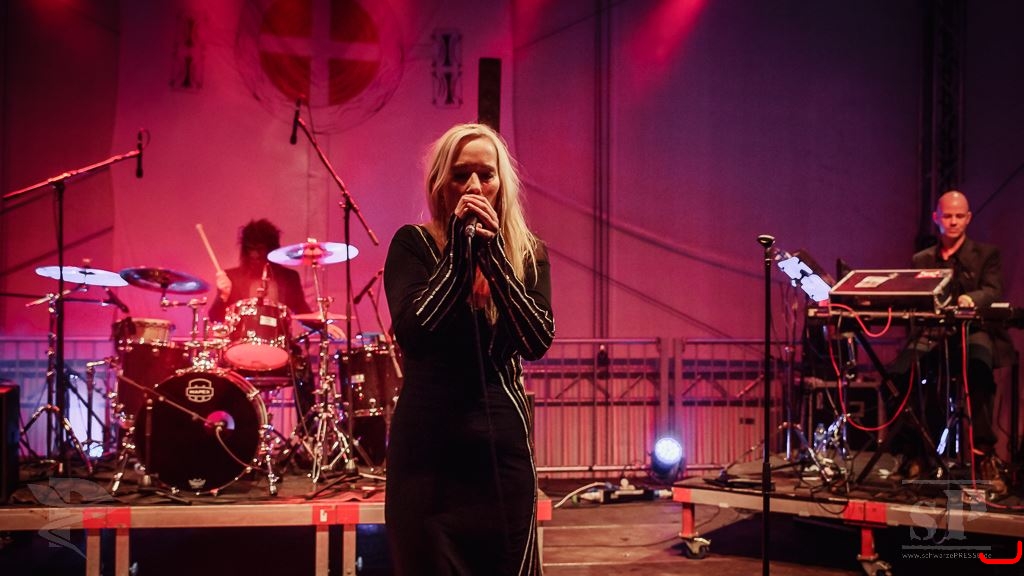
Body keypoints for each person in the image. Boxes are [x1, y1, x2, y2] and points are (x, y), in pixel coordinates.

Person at [383, 123, 554, 575]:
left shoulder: (529, 253)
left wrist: (494, 260)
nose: (475, 186)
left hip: (500, 455)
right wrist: (460, 255)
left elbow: (537, 340)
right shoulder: (412, 245)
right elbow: (415, 332)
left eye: (486, 174)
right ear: (441, 183)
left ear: (502, 183)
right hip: (427, 459)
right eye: (461, 175)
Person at [894, 190, 1013, 489]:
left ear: (969, 218)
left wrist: (971, 298)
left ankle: (983, 454)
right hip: (932, 335)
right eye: (948, 216)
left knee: (979, 370)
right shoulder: (922, 259)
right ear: (936, 218)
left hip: (973, 332)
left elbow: (993, 290)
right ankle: (918, 451)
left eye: (959, 216)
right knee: (900, 374)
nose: (954, 221)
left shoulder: (986, 254)